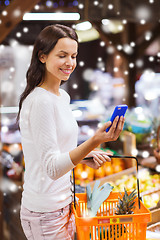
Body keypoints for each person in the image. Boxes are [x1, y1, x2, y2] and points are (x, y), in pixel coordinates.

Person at [17, 24, 125, 240]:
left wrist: (83, 156)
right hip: (45, 212)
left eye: (74, 56)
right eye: (62, 55)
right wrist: (94, 140)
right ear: (42, 57)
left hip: (63, 203)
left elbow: (56, 153)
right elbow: (52, 168)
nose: (70, 63)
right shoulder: (40, 102)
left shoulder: (61, 97)